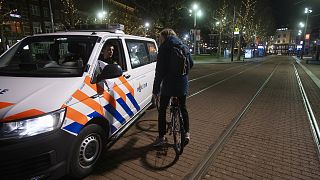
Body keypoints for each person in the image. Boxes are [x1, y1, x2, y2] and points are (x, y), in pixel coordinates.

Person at [152, 28, 194, 147]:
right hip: (182, 83)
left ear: (164, 37)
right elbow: (191, 63)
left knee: (162, 110)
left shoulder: (164, 48)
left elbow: (159, 71)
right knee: (183, 108)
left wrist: (156, 90)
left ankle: (161, 137)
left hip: (168, 85)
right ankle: (186, 134)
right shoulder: (183, 46)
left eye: (161, 38)